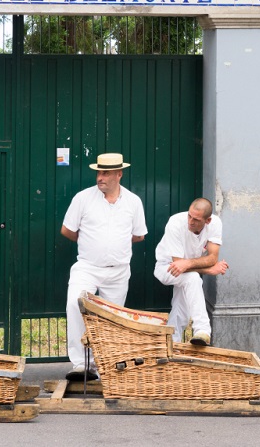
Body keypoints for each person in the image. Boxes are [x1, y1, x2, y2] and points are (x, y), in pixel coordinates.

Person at [60, 152, 147, 381]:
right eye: (99, 172)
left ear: (119, 174)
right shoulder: (83, 198)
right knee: (74, 304)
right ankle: (81, 365)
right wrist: (93, 243)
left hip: (118, 271)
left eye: (106, 173)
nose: (100, 177)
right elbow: (67, 230)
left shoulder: (133, 201)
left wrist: (113, 245)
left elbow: (138, 235)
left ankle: (103, 365)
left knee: (111, 317)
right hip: (87, 267)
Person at [154, 198, 228, 346]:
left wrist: (189, 263)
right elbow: (177, 265)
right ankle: (203, 330)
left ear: (207, 221)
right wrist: (208, 270)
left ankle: (171, 345)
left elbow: (213, 257)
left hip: (187, 269)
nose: (190, 221)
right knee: (193, 278)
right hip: (166, 268)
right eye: (189, 216)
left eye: (196, 219)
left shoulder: (215, 223)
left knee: (181, 313)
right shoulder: (175, 222)